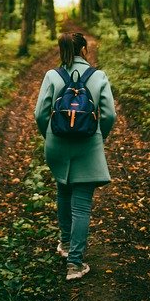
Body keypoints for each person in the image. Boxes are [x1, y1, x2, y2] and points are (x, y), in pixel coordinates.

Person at [34, 32, 116, 281]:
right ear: (84, 51)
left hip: (57, 143)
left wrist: (49, 137)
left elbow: (40, 113)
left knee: (63, 190)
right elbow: (109, 114)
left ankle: (66, 244)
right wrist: (100, 137)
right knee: (81, 205)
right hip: (87, 145)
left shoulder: (52, 75)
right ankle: (75, 265)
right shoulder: (98, 76)